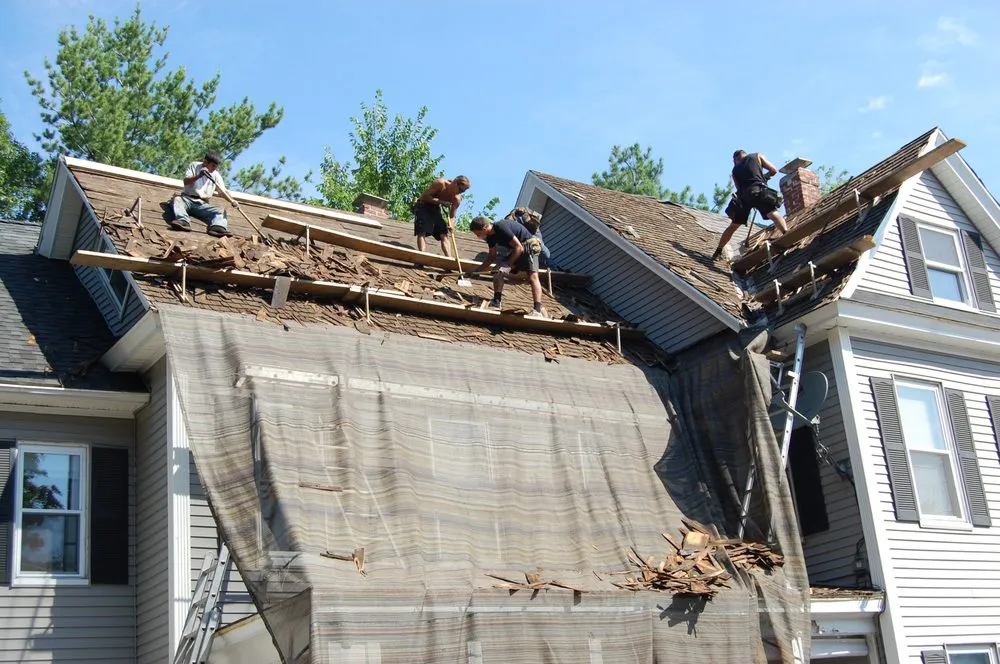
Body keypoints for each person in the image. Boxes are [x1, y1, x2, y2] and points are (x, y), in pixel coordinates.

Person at [711, 150, 788, 260]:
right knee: (772, 213)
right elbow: (774, 170)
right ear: (745, 154)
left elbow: (738, 188)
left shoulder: (735, 170)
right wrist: (764, 177)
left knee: (733, 226)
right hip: (757, 191)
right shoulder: (757, 156)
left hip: (743, 197)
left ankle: (718, 251)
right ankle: (786, 233)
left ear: (735, 160)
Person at [467, 216, 546, 318]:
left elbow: (519, 247)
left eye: (478, 234)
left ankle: (537, 310)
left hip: (530, 245)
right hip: (519, 251)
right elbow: (491, 257)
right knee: (497, 270)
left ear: (484, 229)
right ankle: (496, 301)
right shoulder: (490, 237)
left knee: (533, 276)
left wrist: (508, 264)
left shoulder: (500, 226)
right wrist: (476, 271)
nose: (478, 237)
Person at [169, 152, 232, 237]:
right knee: (177, 200)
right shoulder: (194, 165)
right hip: (187, 199)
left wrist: (232, 200)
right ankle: (183, 221)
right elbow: (186, 181)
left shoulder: (216, 175)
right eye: (213, 166)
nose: (214, 169)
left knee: (221, 211)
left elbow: (223, 191)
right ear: (205, 162)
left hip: (203, 204)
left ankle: (218, 227)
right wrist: (199, 175)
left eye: (216, 167)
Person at [412, 175, 470, 255]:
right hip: (423, 206)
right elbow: (424, 196)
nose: (460, 192)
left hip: (436, 209)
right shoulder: (440, 183)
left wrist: (451, 225)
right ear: (455, 183)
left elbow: (452, 216)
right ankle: (421, 255)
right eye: (460, 190)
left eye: (462, 192)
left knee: (444, 234)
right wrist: (441, 202)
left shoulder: (456, 199)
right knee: (422, 231)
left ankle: (448, 259)